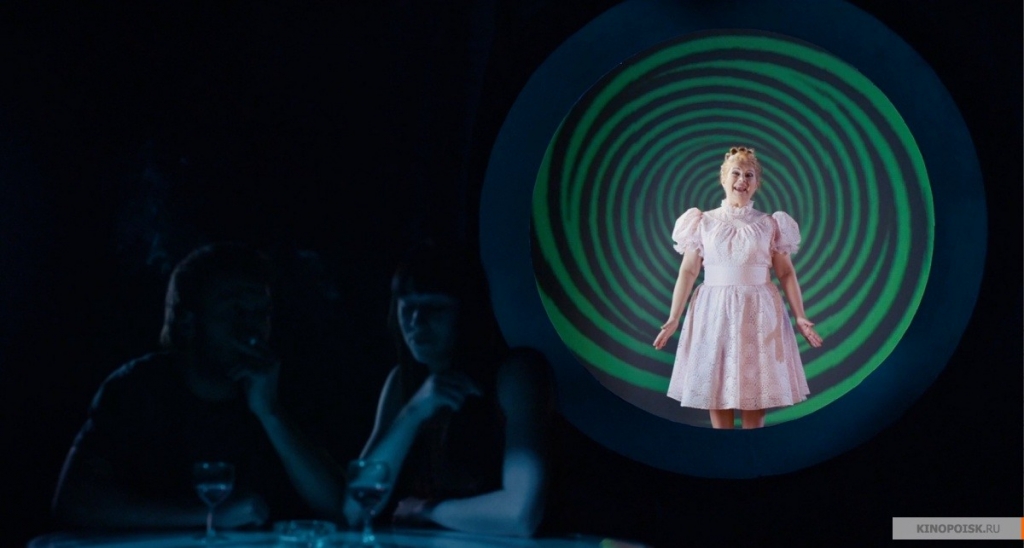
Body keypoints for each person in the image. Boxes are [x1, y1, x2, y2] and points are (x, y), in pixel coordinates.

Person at [51, 243, 345, 529]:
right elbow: (76, 502)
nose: (252, 329)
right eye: (235, 310)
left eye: (261, 313)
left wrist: (270, 413)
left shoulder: (280, 386)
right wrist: (208, 515)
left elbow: (341, 507)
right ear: (188, 321)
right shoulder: (139, 387)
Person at [340, 240, 553, 537]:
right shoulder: (402, 381)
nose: (416, 321)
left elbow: (520, 515)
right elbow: (355, 507)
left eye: (434, 308)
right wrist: (413, 412)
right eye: (407, 306)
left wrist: (426, 510)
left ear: (467, 312)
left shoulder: (515, 373)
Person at [652, 147, 824, 429]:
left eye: (749, 175)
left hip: (758, 310)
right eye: (736, 173)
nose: (742, 180)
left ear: (756, 183)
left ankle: (751, 448)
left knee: (754, 386)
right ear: (723, 179)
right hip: (714, 310)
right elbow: (689, 270)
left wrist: (800, 316)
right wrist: (673, 318)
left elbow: (785, 272)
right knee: (717, 386)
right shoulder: (702, 222)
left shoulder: (770, 224)